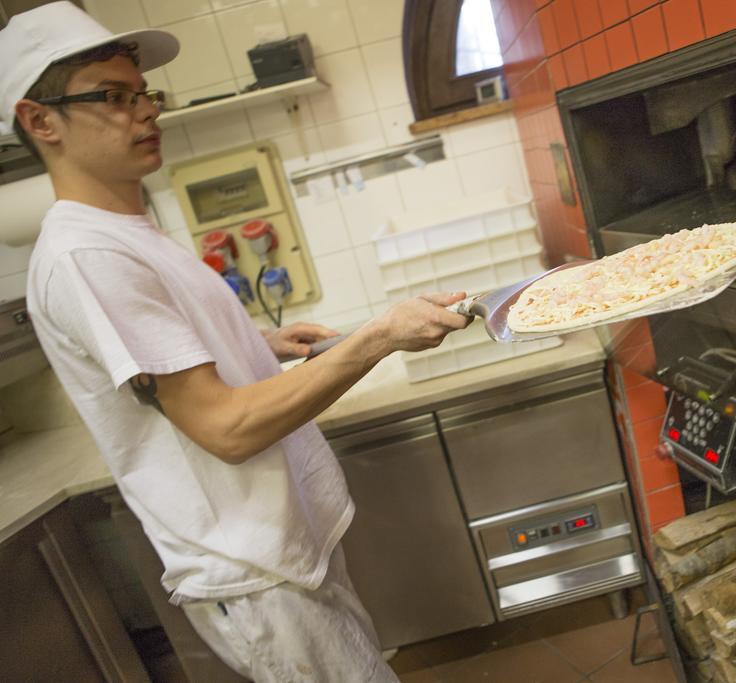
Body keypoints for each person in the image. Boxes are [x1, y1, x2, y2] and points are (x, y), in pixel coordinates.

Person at [0, 3, 470, 680]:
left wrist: (260, 342)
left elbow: (167, 358)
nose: (146, 112)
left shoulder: (125, 228)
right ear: (40, 120)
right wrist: (379, 336)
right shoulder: (86, 254)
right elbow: (224, 427)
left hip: (277, 552)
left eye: (144, 94)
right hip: (254, 571)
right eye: (113, 97)